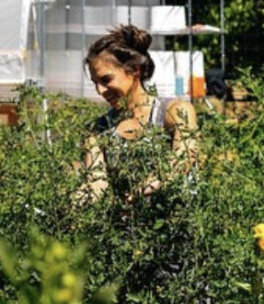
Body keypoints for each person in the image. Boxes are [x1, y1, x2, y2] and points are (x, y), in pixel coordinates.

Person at [75, 25, 198, 205]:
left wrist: (138, 193)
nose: (100, 90)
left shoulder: (174, 111)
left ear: (134, 70)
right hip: (125, 227)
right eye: (95, 83)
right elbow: (97, 184)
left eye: (106, 79)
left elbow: (183, 158)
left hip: (176, 222)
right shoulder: (97, 130)